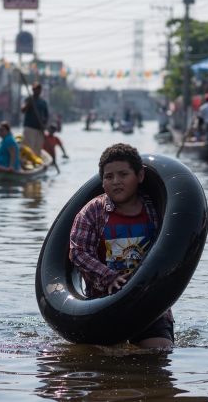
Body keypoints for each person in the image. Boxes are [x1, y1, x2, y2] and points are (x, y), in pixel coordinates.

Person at [69, 143, 173, 348]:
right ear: (102, 181)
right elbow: (78, 252)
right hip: (104, 305)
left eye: (124, 174)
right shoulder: (92, 212)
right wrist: (109, 276)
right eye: (109, 177)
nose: (116, 181)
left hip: (149, 304)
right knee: (105, 360)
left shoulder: (156, 210)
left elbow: (171, 248)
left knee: (158, 352)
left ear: (140, 177)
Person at [21, 82, 49, 157]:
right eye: (36, 89)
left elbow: (47, 115)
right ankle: (26, 161)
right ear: (33, 90)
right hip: (29, 127)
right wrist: (29, 102)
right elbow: (23, 110)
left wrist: (44, 125)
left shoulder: (43, 102)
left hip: (39, 129)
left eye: (39, 89)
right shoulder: (28, 99)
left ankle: (36, 161)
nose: (38, 91)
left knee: (38, 148)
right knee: (28, 146)